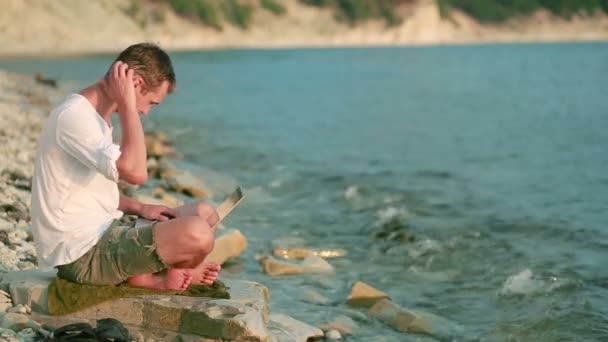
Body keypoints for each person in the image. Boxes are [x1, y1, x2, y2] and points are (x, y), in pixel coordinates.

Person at [31, 43, 221, 291]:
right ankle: (155, 277)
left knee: (205, 213)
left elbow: (87, 189)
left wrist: (139, 207)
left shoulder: (98, 119)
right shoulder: (74, 117)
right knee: (198, 233)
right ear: (136, 85)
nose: (146, 112)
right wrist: (128, 106)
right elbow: (136, 173)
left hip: (106, 232)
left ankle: (163, 269)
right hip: (80, 254)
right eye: (151, 103)